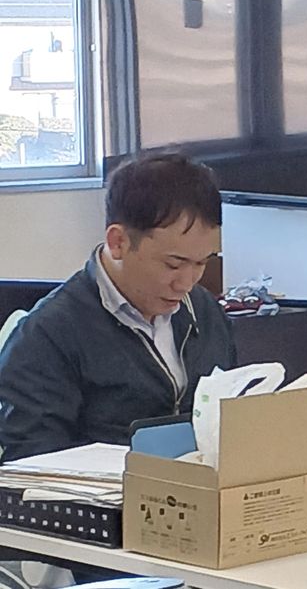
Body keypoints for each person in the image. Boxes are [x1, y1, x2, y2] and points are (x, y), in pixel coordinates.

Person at [0, 154, 237, 462]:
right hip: (107, 490)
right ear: (118, 242)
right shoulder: (46, 336)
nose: (186, 283)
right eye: (173, 264)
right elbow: (34, 465)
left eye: (202, 263)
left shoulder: (204, 311)